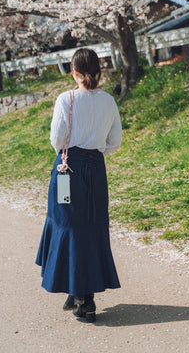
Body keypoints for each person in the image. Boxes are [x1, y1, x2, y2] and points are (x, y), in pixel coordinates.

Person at [36, 48, 122, 322]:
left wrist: (74, 153)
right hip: (95, 170)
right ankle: (81, 291)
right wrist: (94, 155)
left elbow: (57, 140)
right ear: (98, 71)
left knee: (67, 225)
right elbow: (115, 141)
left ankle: (81, 297)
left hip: (67, 172)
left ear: (74, 72)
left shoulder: (66, 99)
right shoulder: (108, 101)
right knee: (92, 225)